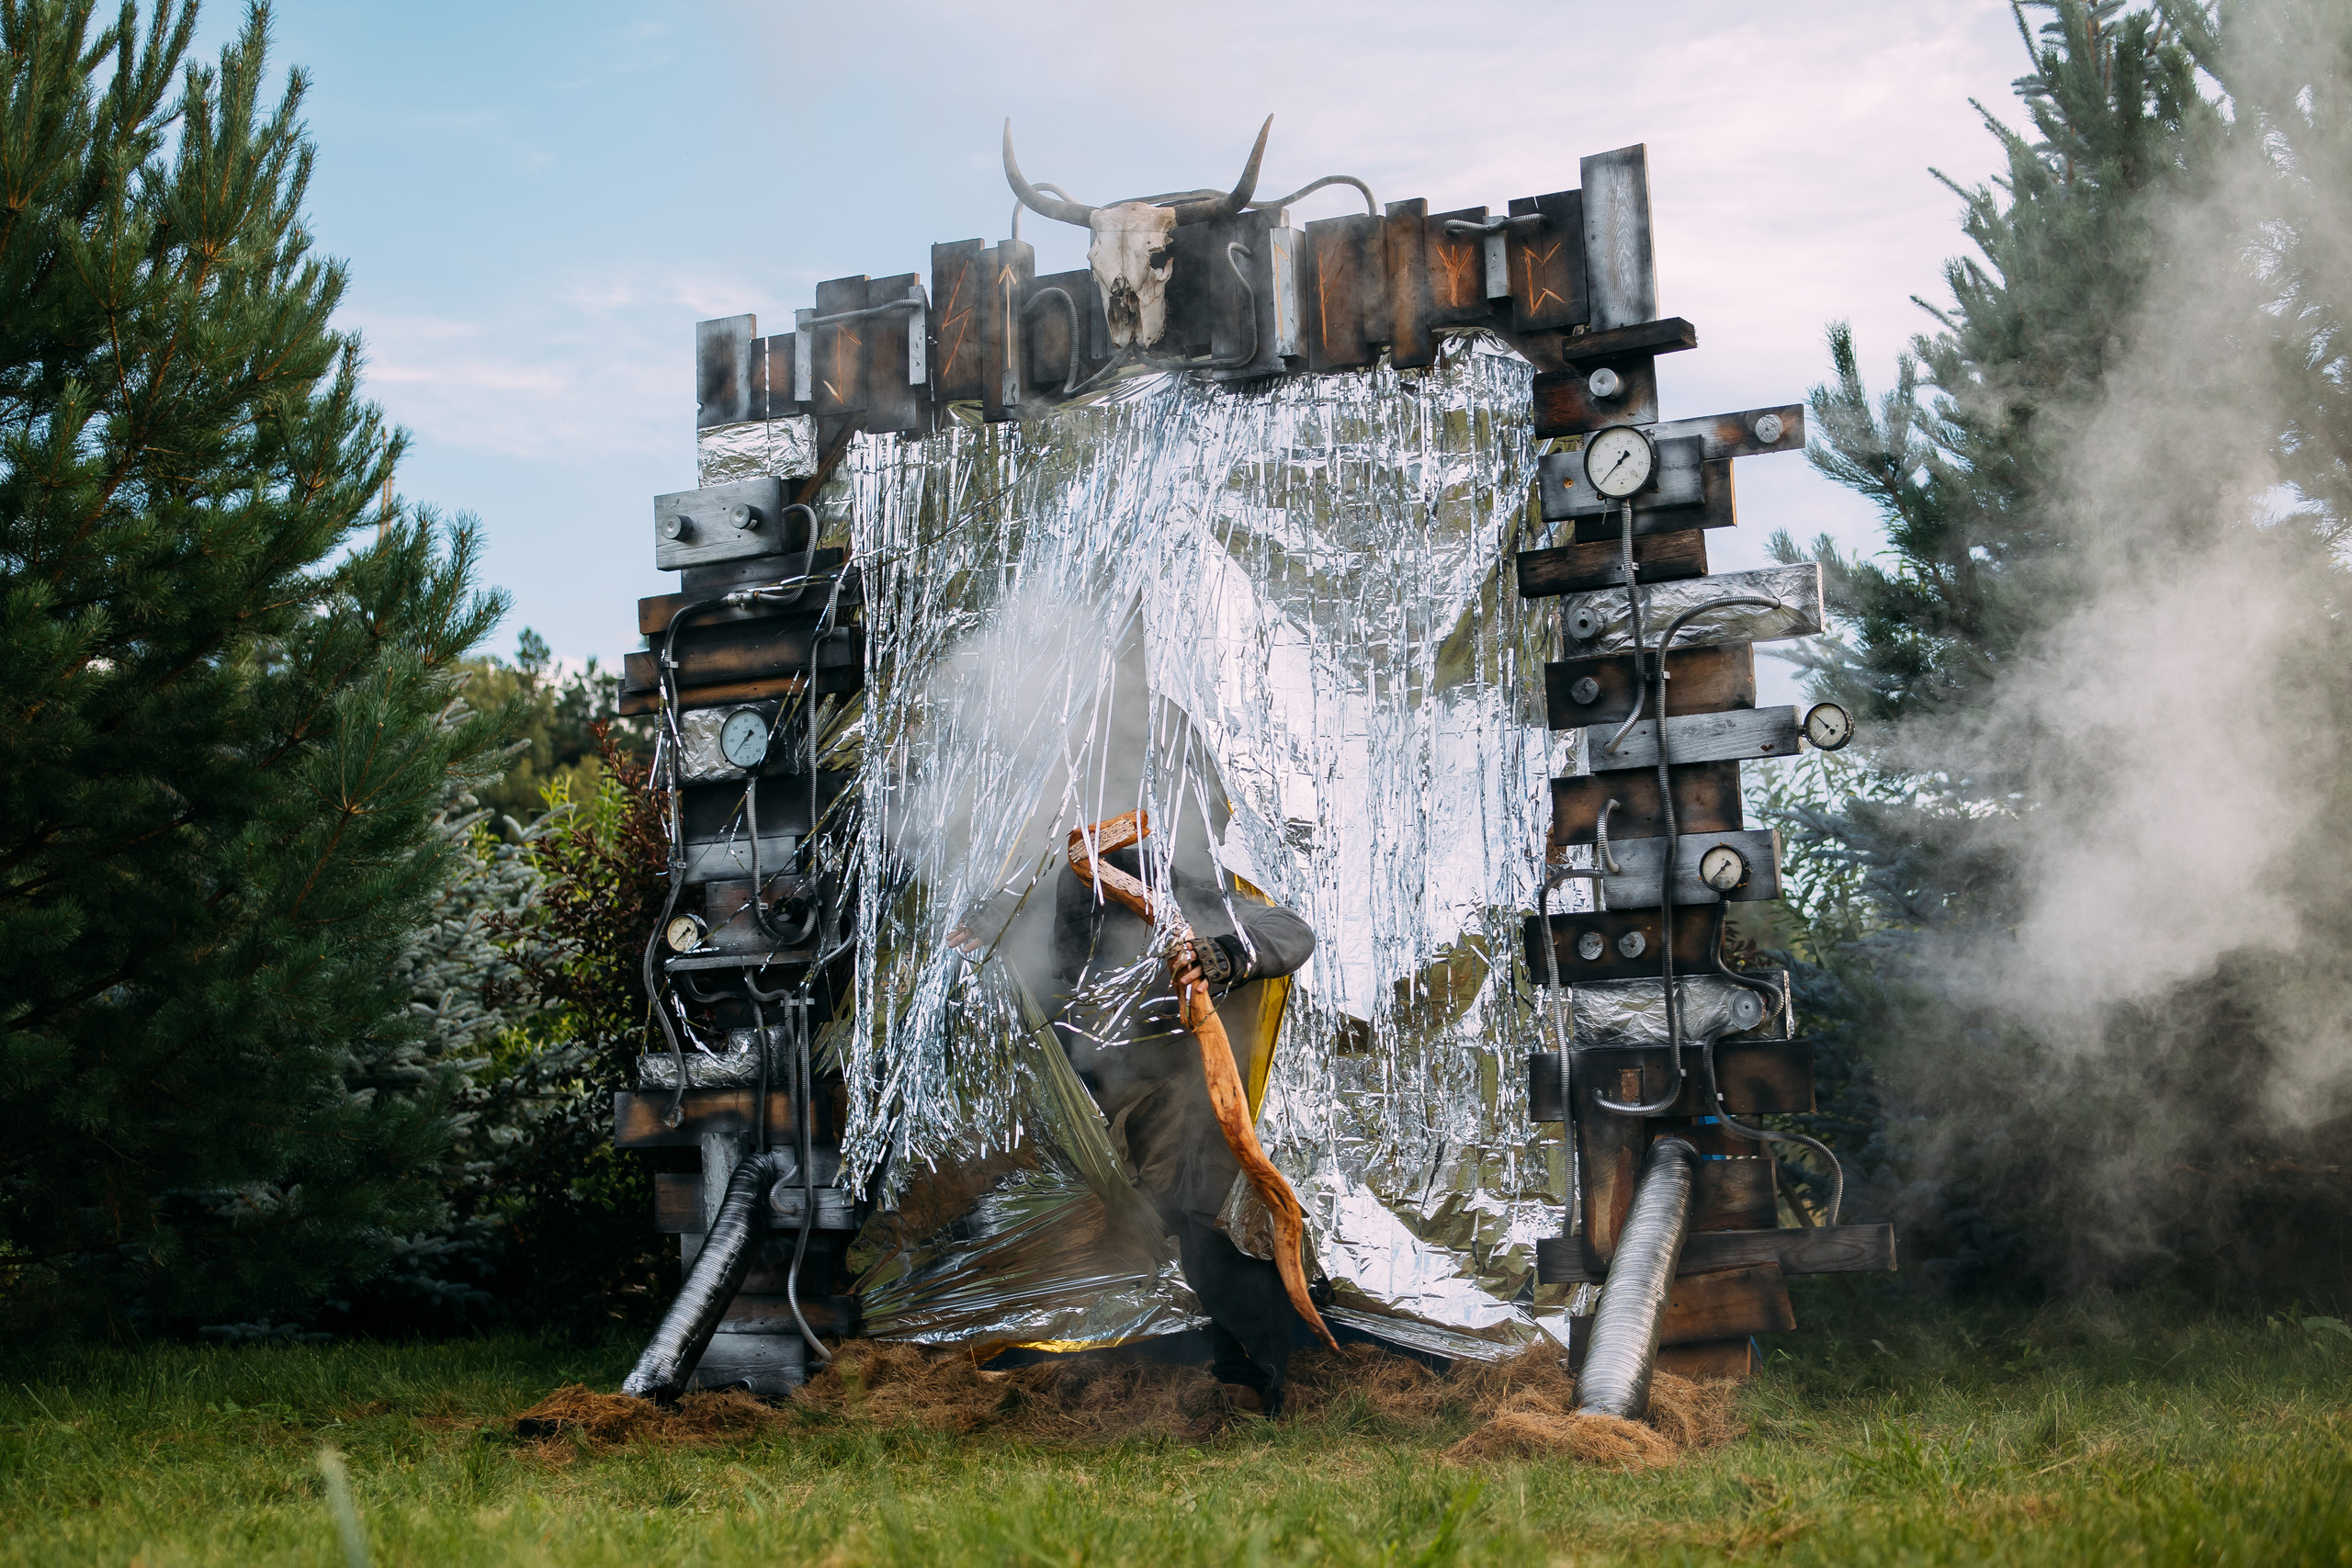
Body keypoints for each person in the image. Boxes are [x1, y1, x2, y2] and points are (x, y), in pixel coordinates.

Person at [1048, 842, 1317, 1413]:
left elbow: (1292, 931)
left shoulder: (1203, 906)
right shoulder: (1085, 931)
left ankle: (1251, 1386)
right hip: (1148, 1116)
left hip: (1214, 1111)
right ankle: (1239, 1379)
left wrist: (1223, 955)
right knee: (1191, 1241)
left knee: (1221, 1239)